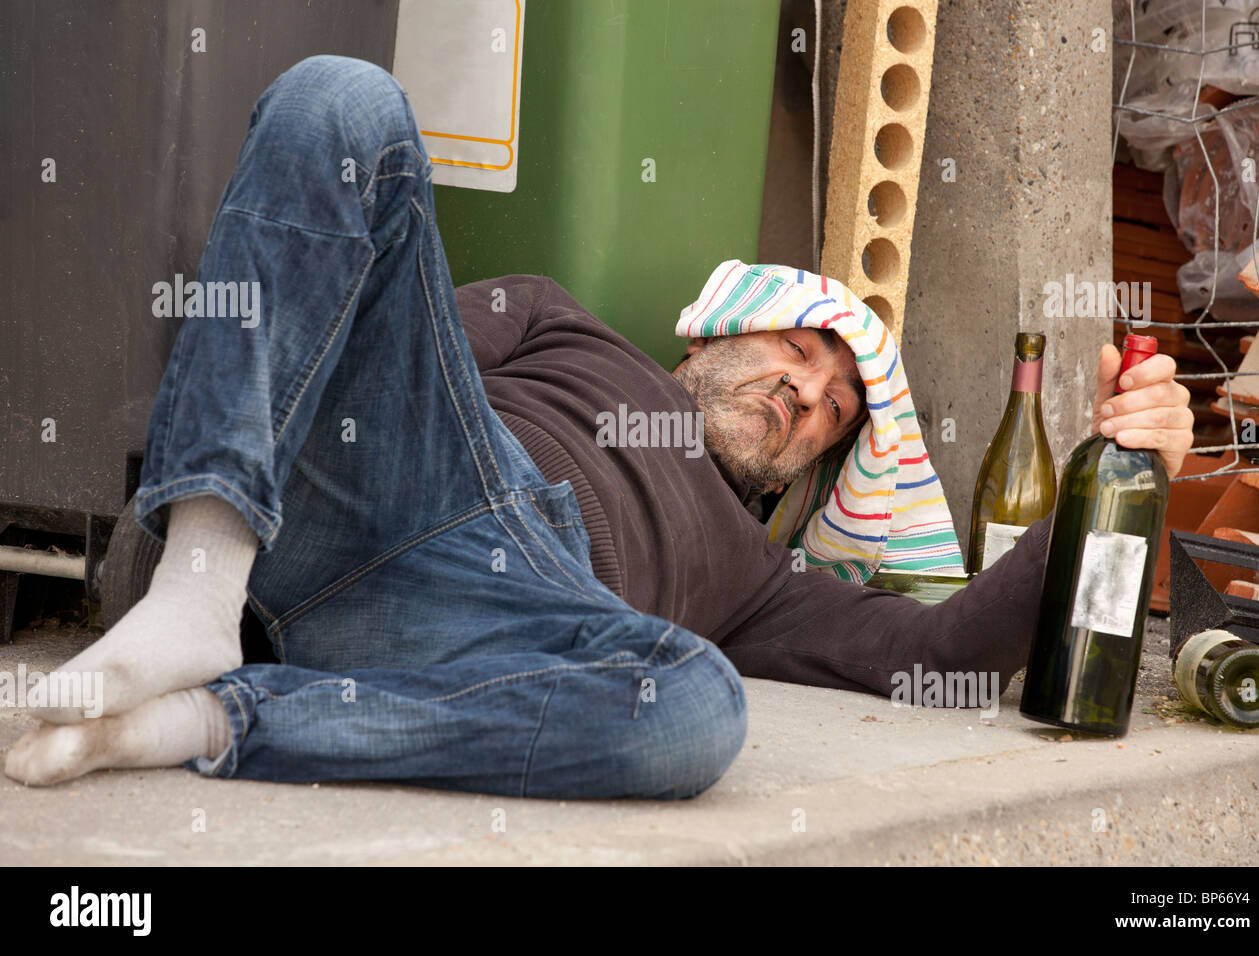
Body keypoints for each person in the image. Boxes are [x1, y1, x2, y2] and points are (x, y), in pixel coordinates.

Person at [4, 56, 1194, 796]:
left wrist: (1130, 465)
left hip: (504, 618)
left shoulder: (758, 582)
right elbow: (364, 346)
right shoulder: (560, 319)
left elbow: (946, 655)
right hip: (393, 481)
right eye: (796, 346)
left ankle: (208, 716)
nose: (806, 393)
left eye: (835, 412)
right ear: (713, 334)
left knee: (698, 711)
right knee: (343, 98)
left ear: (818, 470)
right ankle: (195, 592)